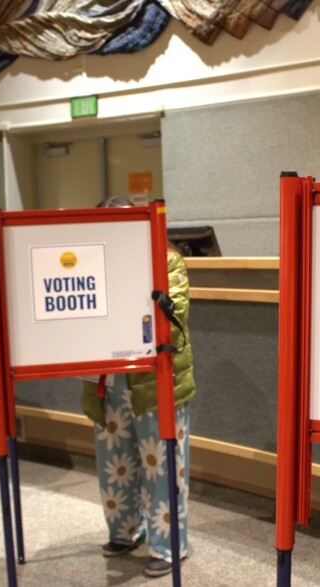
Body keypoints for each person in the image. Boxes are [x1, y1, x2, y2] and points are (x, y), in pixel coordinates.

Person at [82, 197, 196, 578]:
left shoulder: (166, 260)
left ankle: (169, 545)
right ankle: (126, 531)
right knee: (115, 466)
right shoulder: (90, 263)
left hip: (156, 380)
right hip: (108, 382)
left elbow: (174, 315)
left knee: (162, 467)